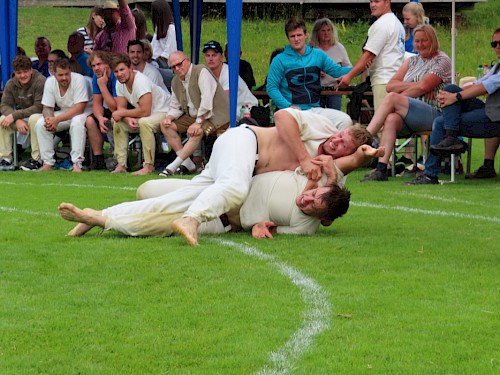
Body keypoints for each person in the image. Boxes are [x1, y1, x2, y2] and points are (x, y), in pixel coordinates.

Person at [407, 28, 500, 184]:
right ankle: (451, 137)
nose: (497, 46)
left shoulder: (441, 60)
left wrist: (455, 96)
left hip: (495, 116)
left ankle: (431, 171)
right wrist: (447, 95)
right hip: (490, 110)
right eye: (494, 43)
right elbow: (476, 84)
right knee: (449, 90)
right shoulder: (496, 66)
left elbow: (485, 86)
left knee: (441, 122)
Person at [360, 24, 451, 182]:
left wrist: (411, 90)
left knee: (392, 98)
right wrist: (417, 87)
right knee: (391, 119)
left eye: (424, 41)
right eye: (417, 41)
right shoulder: (412, 61)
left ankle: (364, 138)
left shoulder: (442, 60)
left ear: (433, 41)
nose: (420, 44)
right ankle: (382, 168)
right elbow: (390, 85)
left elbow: (423, 86)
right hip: (410, 112)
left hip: (435, 113)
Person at [266, 17, 353, 128]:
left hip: (314, 109)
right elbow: (271, 87)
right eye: (292, 36)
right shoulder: (279, 60)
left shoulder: (317, 55)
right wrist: (288, 106)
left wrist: (360, 67)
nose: (296, 39)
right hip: (293, 111)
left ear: (306, 35)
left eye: (299, 35)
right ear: (288, 38)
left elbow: (338, 71)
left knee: (345, 120)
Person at [159, 51, 229, 176]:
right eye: (173, 67)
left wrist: (198, 122)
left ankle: (173, 166)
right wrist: (169, 117)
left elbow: (207, 100)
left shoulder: (201, 71)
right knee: (165, 125)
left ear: (187, 60)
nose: (177, 68)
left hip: (215, 116)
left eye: (179, 64)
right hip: (195, 116)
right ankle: (186, 162)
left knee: (197, 131)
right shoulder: (175, 81)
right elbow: (175, 106)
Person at [337, 0, 405, 111]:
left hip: (383, 81)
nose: (372, 5)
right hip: (396, 80)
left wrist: (349, 76)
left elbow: (368, 55)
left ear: (387, 2)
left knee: (383, 124)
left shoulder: (382, 24)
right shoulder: (396, 23)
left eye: (377, 1)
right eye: (371, 1)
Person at [110, 53, 170, 175]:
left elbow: (145, 111)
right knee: (118, 123)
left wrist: (123, 113)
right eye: (116, 71)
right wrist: (127, 119)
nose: (119, 74)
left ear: (130, 68)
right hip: (148, 114)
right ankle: (121, 164)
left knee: (144, 122)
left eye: (122, 69)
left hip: (164, 111)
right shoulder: (119, 83)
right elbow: (121, 108)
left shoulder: (140, 81)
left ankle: (148, 166)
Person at [34, 58, 92, 172]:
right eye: (60, 75)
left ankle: (77, 163)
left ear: (70, 71)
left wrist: (57, 120)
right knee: (40, 124)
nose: (64, 78)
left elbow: (80, 108)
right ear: (54, 74)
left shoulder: (79, 79)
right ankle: (48, 162)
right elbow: (47, 107)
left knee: (76, 122)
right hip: (65, 112)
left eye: (67, 74)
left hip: (85, 111)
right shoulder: (50, 81)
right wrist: (49, 119)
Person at [0, 55, 46, 171]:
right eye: (19, 72)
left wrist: (15, 115)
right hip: (23, 118)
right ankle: (5, 159)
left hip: (43, 115)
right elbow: (4, 105)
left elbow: (39, 107)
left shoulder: (40, 81)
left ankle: (37, 159)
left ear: (31, 70)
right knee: (2, 120)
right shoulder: (11, 83)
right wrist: (17, 119)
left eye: (25, 71)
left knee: (34, 118)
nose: (22, 75)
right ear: (15, 72)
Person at [203, 40, 258, 121]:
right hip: (225, 112)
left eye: (214, 55)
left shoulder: (228, 72)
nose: (211, 59)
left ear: (221, 57)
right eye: (208, 55)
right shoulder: (206, 73)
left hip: (246, 111)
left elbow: (224, 98)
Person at [84, 51, 118, 170]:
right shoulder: (96, 78)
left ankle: (118, 158)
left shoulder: (115, 75)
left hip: (122, 109)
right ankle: (98, 159)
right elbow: (97, 103)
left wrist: (103, 86)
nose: (96, 68)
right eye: (93, 66)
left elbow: (115, 107)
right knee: (90, 121)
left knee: (115, 118)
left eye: (99, 64)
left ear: (108, 64)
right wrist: (99, 118)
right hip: (109, 109)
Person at [309, 18, 352, 111]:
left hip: (334, 90)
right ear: (317, 33)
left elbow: (348, 67)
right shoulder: (310, 49)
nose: (326, 33)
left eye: (329, 30)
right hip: (315, 91)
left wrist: (341, 78)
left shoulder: (339, 48)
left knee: (334, 118)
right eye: (323, 31)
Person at [151, 0, 177, 69]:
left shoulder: (171, 29)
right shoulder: (158, 28)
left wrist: (156, 60)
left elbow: (169, 52)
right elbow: (153, 47)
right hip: (154, 61)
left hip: (163, 65)